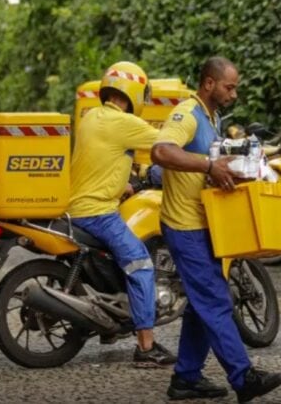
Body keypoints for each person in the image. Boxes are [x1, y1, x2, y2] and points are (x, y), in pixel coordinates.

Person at [151, 56, 281, 402]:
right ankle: (243, 378)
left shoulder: (213, 119)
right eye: (230, 86)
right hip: (184, 226)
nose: (235, 93)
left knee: (202, 303)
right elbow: (161, 151)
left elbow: (208, 166)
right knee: (214, 299)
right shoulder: (188, 114)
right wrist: (209, 165)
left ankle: (186, 378)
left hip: (204, 223)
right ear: (209, 83)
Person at [68, 61, 176, 367]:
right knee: (141, 266)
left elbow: (102, 160)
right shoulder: (123, 123)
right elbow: (167, 145)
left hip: (78, 207)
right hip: (97, 213)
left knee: (120, 260)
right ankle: (146, 348)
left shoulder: (92, 117)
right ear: (135, 91)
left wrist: (123, 185)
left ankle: (110, 325)